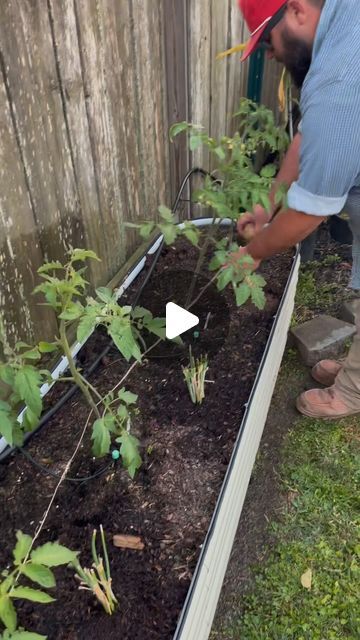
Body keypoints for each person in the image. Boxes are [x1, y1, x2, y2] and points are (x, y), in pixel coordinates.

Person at [233, 0, 360, 418]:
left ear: (299, 11)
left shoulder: (340, 82)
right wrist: (267, 206)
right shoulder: (342, 26)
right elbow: (308, 135)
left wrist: (252, 254)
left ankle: (353, 392)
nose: (270, 55)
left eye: (268, 40)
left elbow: (309, 215)